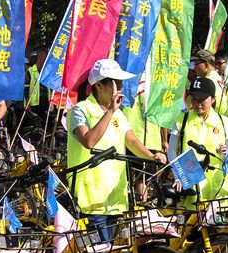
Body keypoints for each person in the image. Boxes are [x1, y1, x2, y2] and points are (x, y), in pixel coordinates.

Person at [68, 59, 167, 241]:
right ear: (99, 85)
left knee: (112, 252)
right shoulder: (80, 110)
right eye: (116, 82)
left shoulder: (119, 114)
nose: (120, 86)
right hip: (90, 198)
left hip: (114, 195)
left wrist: (152, 156)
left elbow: (131, 141)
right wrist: (110, 112)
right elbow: (89, 141)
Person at [169, 78, 228, 207]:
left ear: (213, 99)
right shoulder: (182, 119)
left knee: (218, 223)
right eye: (194, 99)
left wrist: (225, 151)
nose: (198, 104)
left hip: (217, 182)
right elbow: (171, 151)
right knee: (191, 221)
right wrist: (178, 175)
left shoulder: (223, 121)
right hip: (191, 180)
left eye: (202, 99)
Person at [191, 49, 228, 116]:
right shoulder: (221, 79)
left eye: (196, 64)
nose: (194, 67)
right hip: (224, 119)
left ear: (206, 65)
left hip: (213, 121)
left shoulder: (206, 82)